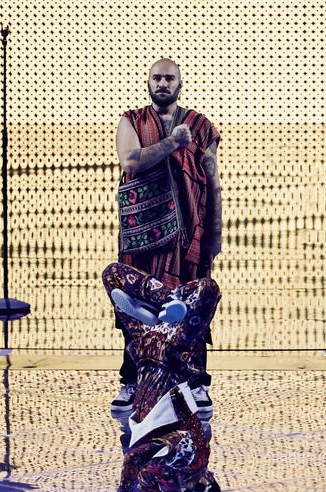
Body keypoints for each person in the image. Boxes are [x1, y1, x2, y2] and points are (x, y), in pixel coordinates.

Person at [112, 59, 222, 414]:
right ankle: (131, 381)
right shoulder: (132, 121)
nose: (162, 83)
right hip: (142, 234)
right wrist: (172, 143)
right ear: (148, 82)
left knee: (191, 303)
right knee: (135, 307)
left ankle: (196, 381)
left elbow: (213, 182)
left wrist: (215, 235)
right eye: (157, 78)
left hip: (189, 233)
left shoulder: (201, 127)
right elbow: (131, 162)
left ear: (180, 83)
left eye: (169, 78)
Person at [102, 262, 221, 492]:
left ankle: (163, 308)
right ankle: (167, 304)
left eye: (197, 488)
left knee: (112, 275)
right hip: (163, 355)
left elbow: (134, 459)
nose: (200, 481)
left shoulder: (175, 472)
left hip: (156, 353)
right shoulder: (187, 463)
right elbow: (135, 458)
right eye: (204, 483)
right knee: (208, 289)